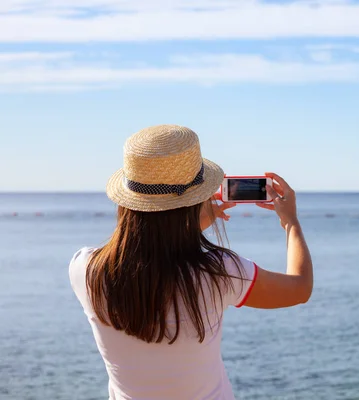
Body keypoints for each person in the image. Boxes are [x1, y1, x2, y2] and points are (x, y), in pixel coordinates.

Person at [68, 124, 313, 400]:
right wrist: (291, 222)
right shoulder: (220, 273)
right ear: (197, 198)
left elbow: (147, 253)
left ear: (128, 201)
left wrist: (187, 226)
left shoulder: (85, 270)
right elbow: (300, 288)